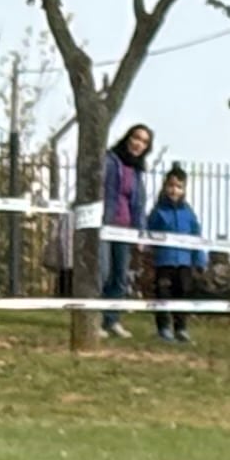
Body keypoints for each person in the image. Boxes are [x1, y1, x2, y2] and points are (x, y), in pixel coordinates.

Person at [98, 121, 154, 335]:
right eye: (136, 138)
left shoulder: (138, 172)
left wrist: (141, 234)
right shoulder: (110, 161)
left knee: (120, 277)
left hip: (126, 229)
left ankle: (111, 321)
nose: (139, 144)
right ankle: (93, 320)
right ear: (128, 138)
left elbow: (139, 205)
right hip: (105, 225)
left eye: (144, 142)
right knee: (102, 272)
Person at [147, 160, 205, 343]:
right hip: (164, 262)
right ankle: (163, 328)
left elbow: (196, 236)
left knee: (183, 294)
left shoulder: (189, 213)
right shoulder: (157, 212)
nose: (174, 190)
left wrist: (200, 260)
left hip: (184, 263)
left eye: (179, 187)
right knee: (163, 295)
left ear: (184, 189)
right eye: (171, 186)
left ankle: (181, 328)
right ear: (165, 187)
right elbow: (149, 234)